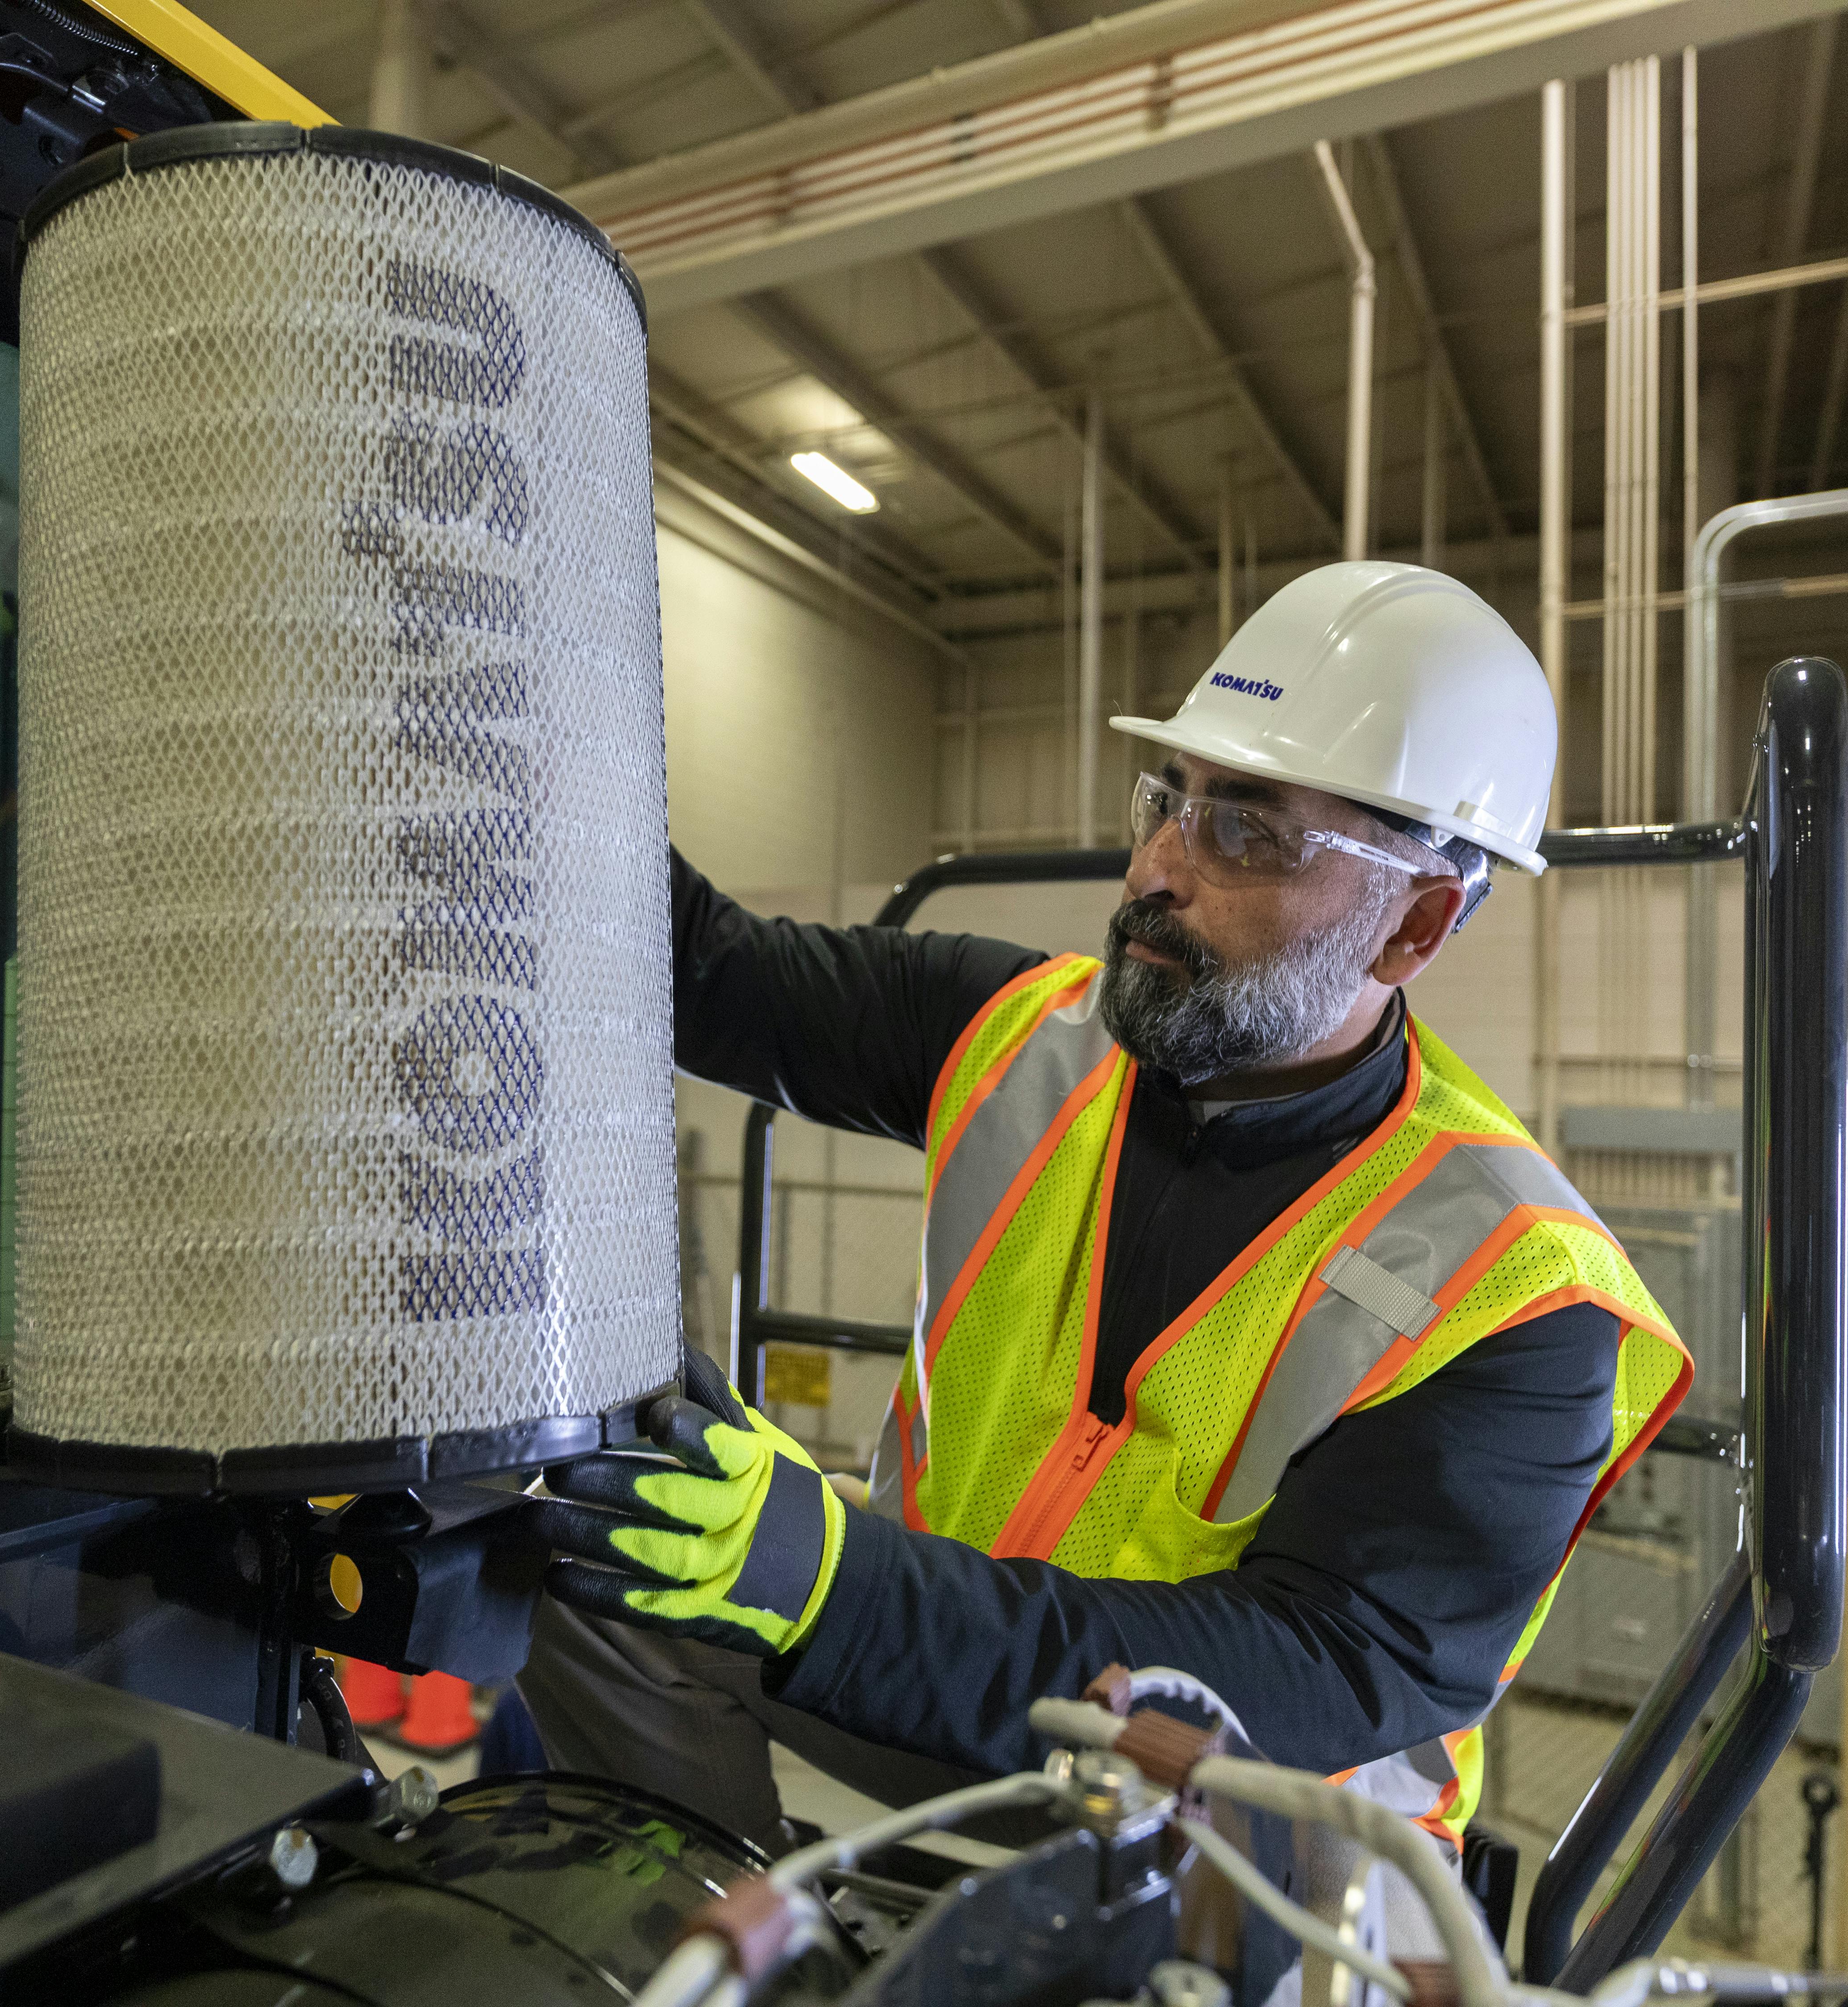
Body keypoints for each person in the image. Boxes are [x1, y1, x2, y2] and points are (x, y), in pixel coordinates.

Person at [521, 561, 1691, 1880]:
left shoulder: (1520, 1286)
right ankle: (720, 1936)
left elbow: (1301, 1673)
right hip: (953, 1689)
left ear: (1412, 925)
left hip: (1247, 1825)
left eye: (1244, 832)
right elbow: (703, 972)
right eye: (1166, 802)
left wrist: (837, 1584)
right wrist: (523, 729)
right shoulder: (1017, 1035)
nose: (1153, 871)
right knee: (594, 1548)